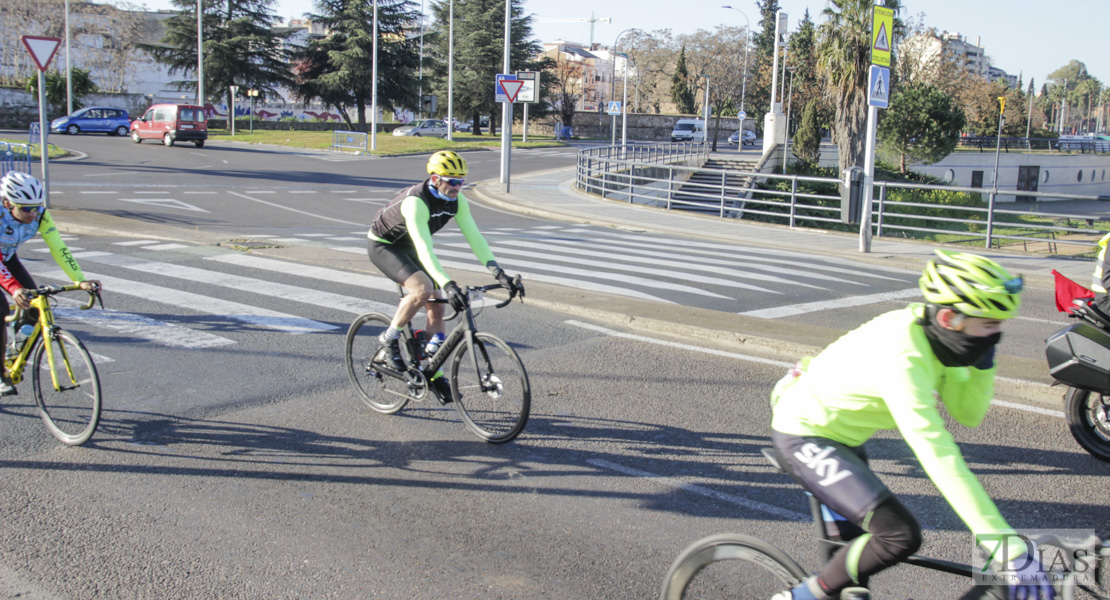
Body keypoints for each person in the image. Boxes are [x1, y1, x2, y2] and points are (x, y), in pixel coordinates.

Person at [768, 249, 1054, 600]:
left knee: (856, 578)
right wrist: (1003, 546)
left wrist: (983, 362)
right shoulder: (903, 356)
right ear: (950, 317)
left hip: (843, 439)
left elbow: (969, 413)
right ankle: (799, 597)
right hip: (804, 434)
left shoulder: (943, 340)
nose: (996, 335)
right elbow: (937, 455)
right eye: (991, 325)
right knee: (897, 535)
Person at [366, 150, 521, 403]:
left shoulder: (457, 201)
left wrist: (498, 272)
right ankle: (388, 338)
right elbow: (425, 251)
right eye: (452, 181)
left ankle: (433, 372)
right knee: (422, 290)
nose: (458, 187)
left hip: (412, 248)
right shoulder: (416, 202)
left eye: (462, 181)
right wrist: (448, 284)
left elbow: (475, 238)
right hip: (386, 246)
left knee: (436, 310)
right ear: (435, 178)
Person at [0, 172, 100, 396]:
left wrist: (79, 280)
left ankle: (13, 347)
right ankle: (0, 375)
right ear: (7, 203)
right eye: (26, 209)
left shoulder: (40, 216)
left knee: (35, 302)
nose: (33, 213)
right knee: (1, 310)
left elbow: (59, 248)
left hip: (7, 258)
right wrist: (14, 288)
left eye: (37, 207)